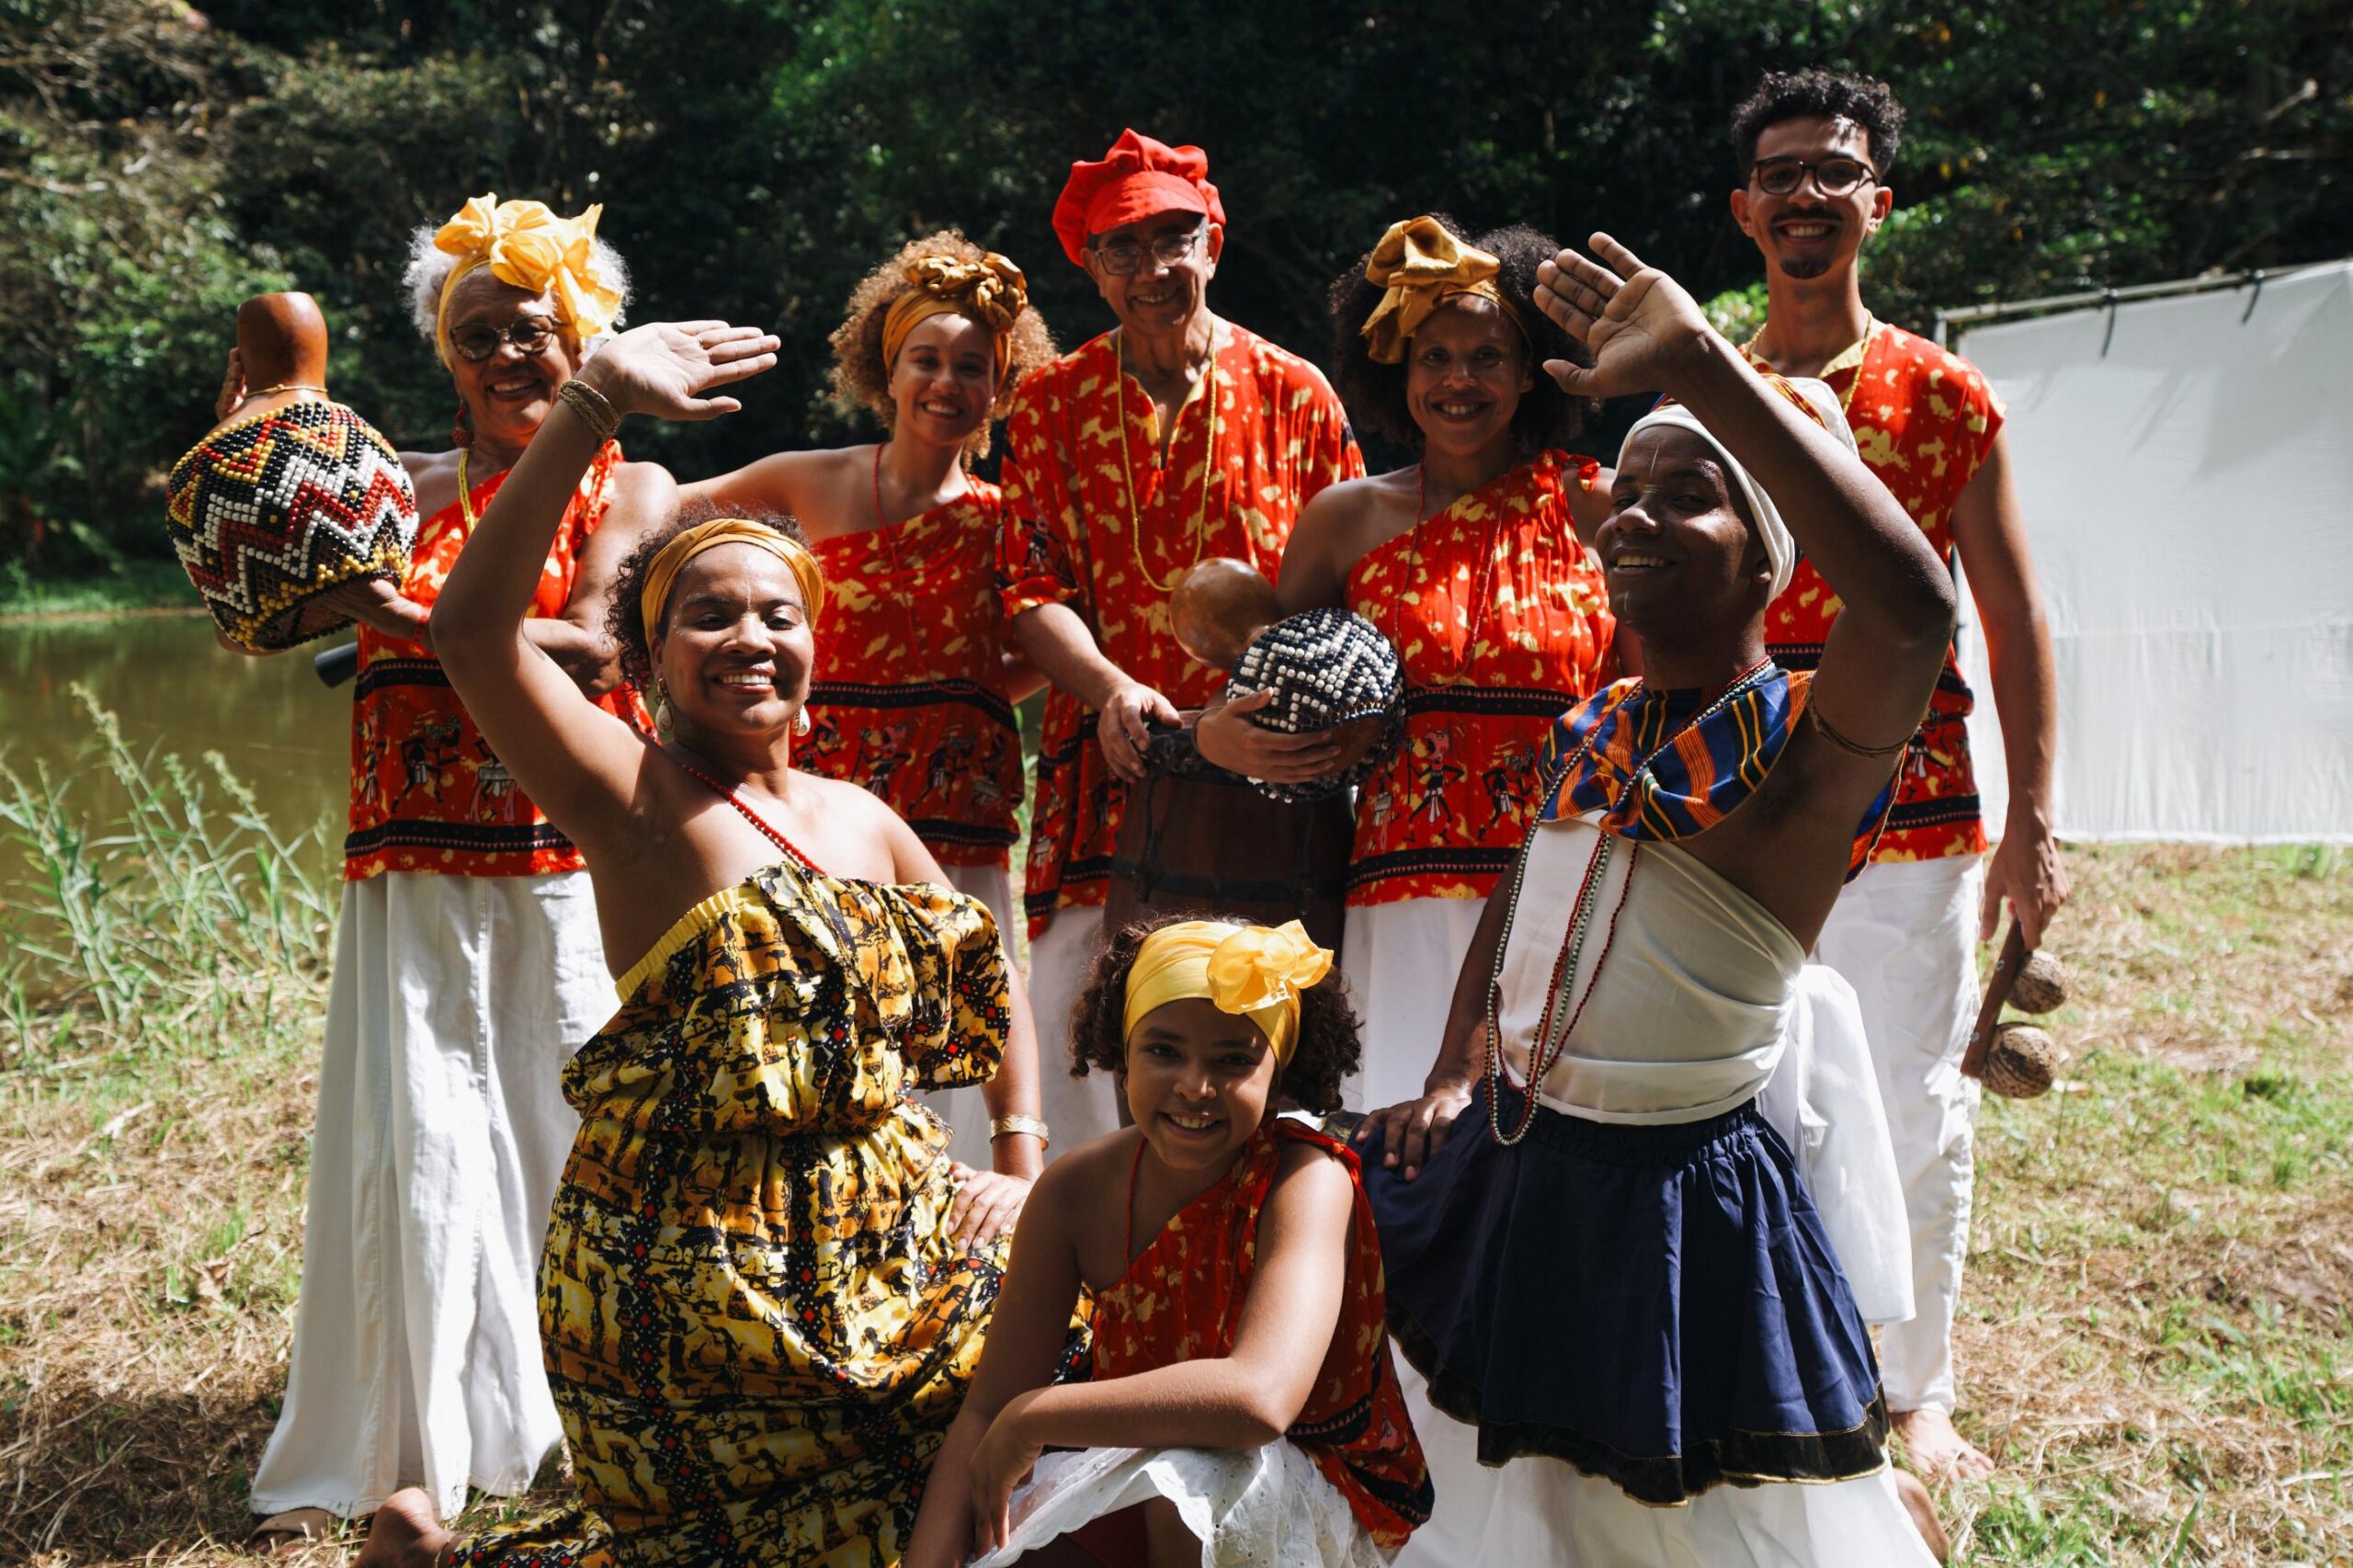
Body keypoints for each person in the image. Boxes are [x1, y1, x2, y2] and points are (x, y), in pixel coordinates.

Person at [356, 317, 1054, 1567]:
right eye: (708, 617)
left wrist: (1017, 1154)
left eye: (778, 615)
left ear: (816, 641)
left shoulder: (864, 818)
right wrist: (590, 407)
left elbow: (986, 980)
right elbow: (470, 635)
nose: (749, 639)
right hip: (695, 1268)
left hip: (883, 1242)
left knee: (1043, 1384)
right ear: (650, 658)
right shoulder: (630, 795)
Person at [1358, 233, 1952, 1565]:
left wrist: (1703, 365)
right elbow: (1529, 890)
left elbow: (1912, 612)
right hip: (1529, 1159)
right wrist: (1461, 1065)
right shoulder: (1606, 725)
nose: (1632, 515)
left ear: (1766, 562)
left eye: (1690, 495)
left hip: (1683, 1198)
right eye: (1626, 489)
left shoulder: (1801, 754)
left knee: (1699, 1517)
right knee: (1522, 1502)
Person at [210, 194, 671, 1551]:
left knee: (574, 1135)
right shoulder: (391, 485)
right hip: (407, 848)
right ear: (443, 352)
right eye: (478, 334)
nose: (507, 354)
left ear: (581, 339)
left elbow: (590, 645)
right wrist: (250, 456)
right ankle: (414, 1452)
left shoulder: (631, 484)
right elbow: (244, 614)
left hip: (565, 849)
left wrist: (406, 615)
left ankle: (600, 1414)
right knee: (423, 1151)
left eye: (533, 329)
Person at [1728, 67, 2068, 1479]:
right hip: (1744, 797)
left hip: (1915, 809)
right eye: (1783, 171)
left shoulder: (1943, 389)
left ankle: (1914, 1385)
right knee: (1741, 1091)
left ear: (1879, 200)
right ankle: (1764, 1361)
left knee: (1914, 1089)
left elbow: (2012, 611)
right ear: (1746, 208)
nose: (1809, 192)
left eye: (1836, 170)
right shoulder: (1715, 390)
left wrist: (2035, 818)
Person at [1195, 214, 1620, 1112]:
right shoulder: (1343, 520)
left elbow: (1654, 699)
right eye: (1435, 357)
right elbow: (1275, 693)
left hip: (1563, 889)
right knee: (1402, 1159)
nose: (1458, 379)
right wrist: (1219, 736)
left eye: (1487, 355)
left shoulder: (1596, 507)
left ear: (1531, 368)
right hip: (1399, 897)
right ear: (1397, 369)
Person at [1001, 127, 1363, 1154]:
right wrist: (1113, 687)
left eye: (1173, 237)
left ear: (1213, 241)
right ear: (1089, 264)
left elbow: (1349, 601)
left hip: (1270, 786)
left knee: (1273, 1072)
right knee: (1103, 1078)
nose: (1153, 267)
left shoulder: (1297, 393)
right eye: (1123, 246)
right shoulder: (1048, 403)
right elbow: (1029, 591)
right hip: (1108, 772)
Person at [681, 231, 1057, 1176]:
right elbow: (653, 515)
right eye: (924, 360)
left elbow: (1030, 649)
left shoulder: (1008, 517)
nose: (946, 382)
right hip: (815, 823)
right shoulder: (806, 481)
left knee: (953, 1061)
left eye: (972, 366)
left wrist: (954, 698)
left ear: (1000, 388)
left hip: (956, 834)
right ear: (885, 370)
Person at [908, 917, 1431, 1568]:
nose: (1194, 1086)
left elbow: (1257, 1401)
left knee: (1185, 1479)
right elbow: (986, 1410)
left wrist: (1034, 1417)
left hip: (1298, 1481)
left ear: (1280, 1071)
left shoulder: (1306, 1181)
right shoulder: (1076, 1190)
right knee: (1022, 1539)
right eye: (1163, 1050)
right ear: (1120, 1051)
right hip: (1129, 1453)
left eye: (1234, 1060)